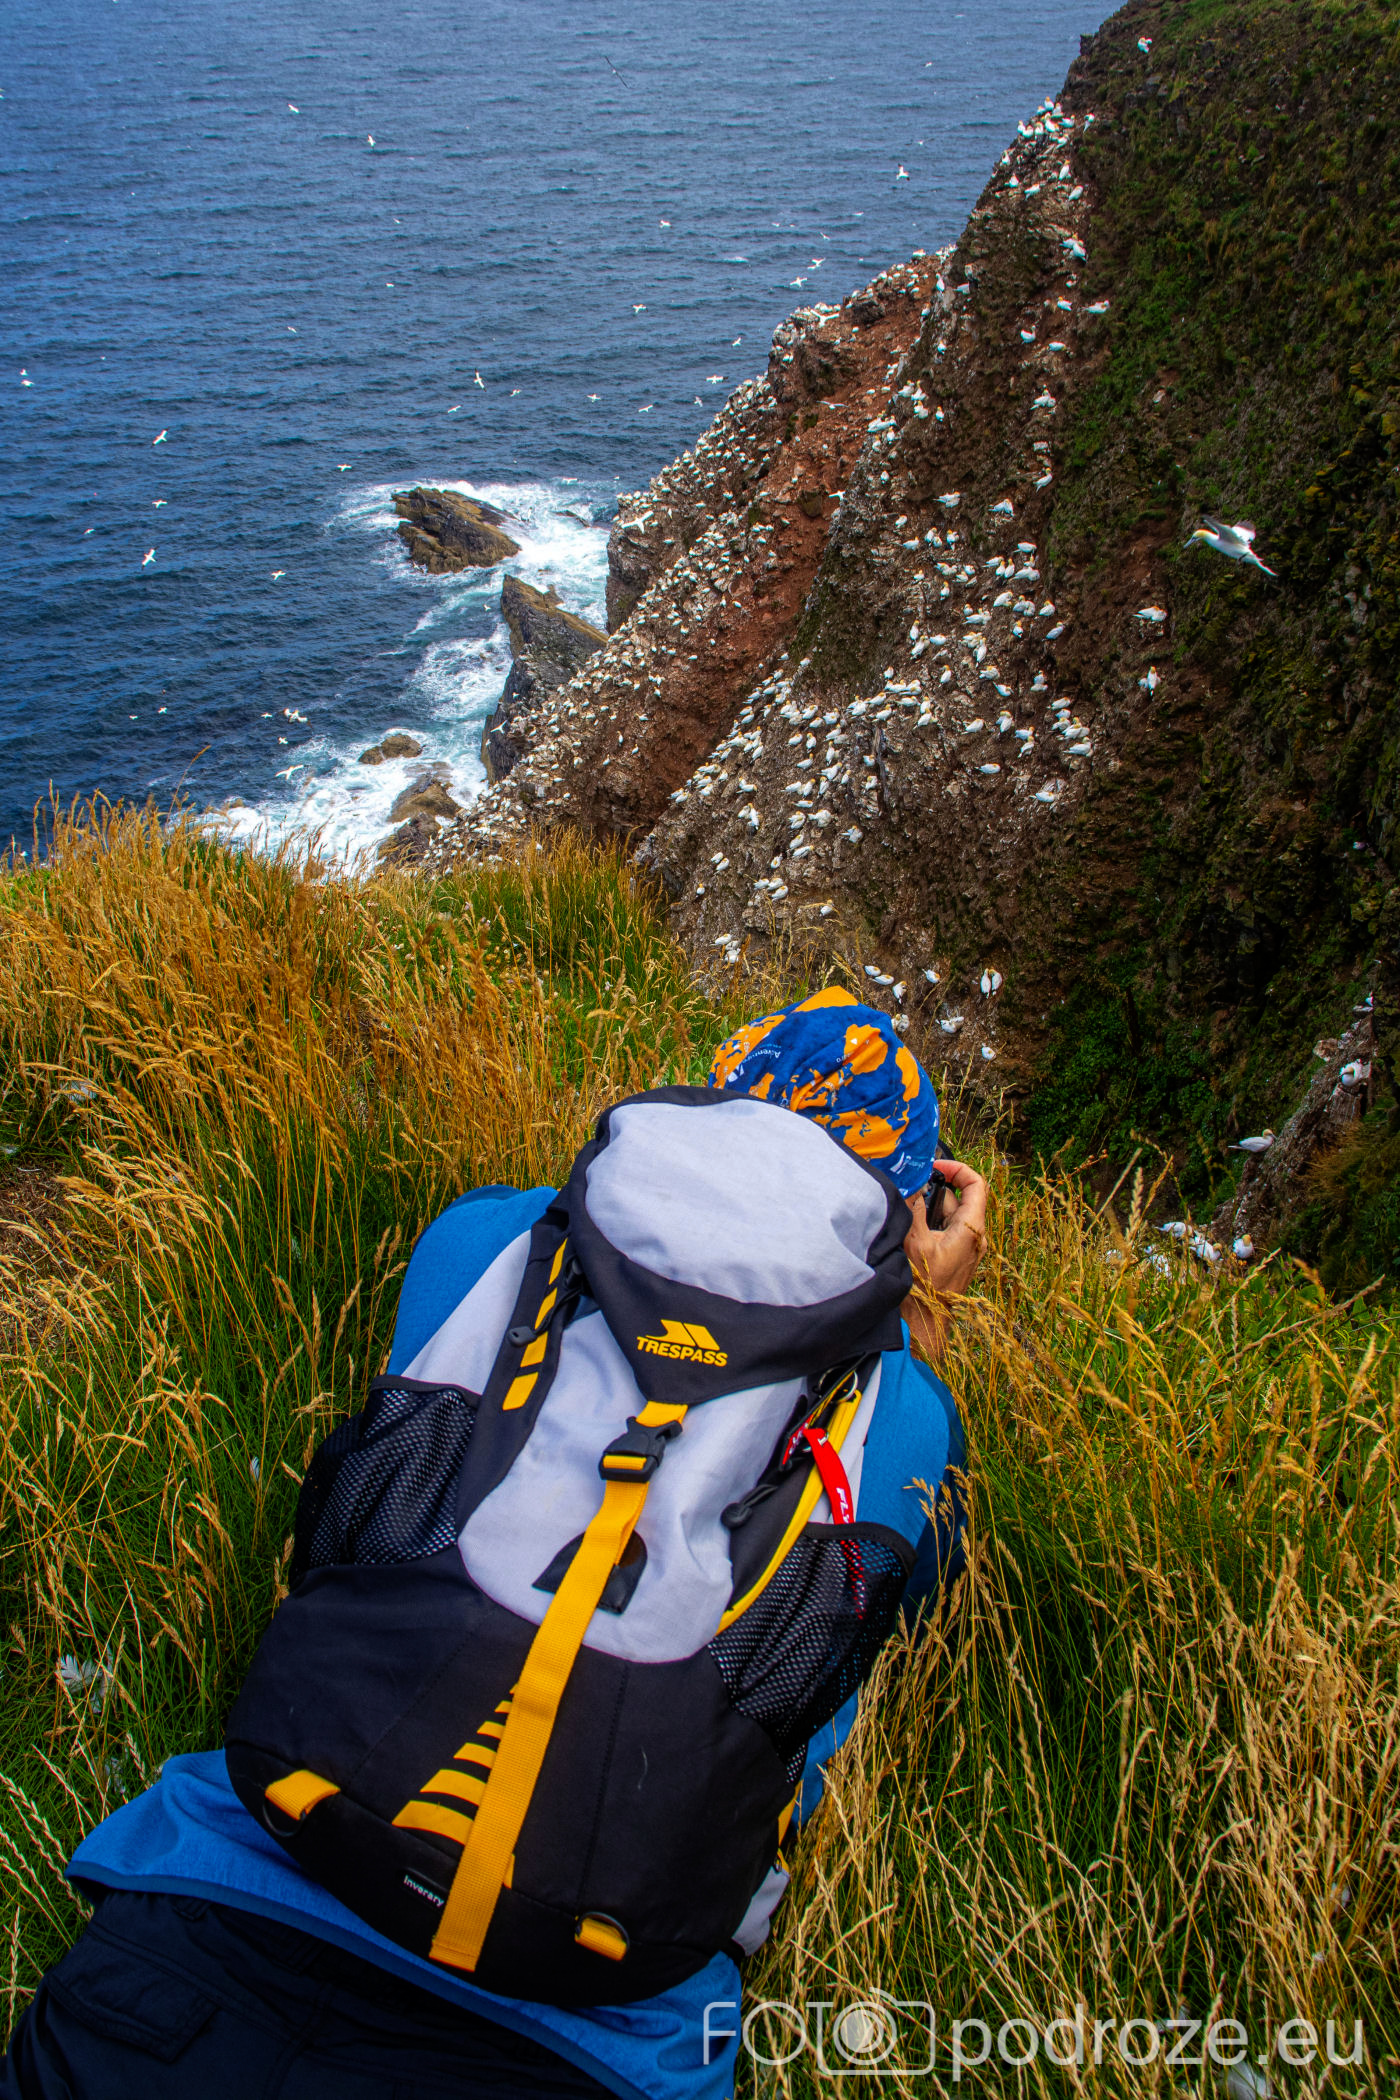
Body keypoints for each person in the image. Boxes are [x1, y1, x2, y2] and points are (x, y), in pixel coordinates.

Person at [1, 991, 986, 2100]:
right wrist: (916, 1324)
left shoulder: (484, 1239)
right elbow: (882, 1619)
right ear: (909, 1206)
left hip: (219, 1915)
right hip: (578, 2036)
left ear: (712, 1104)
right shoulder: (907, 1411)